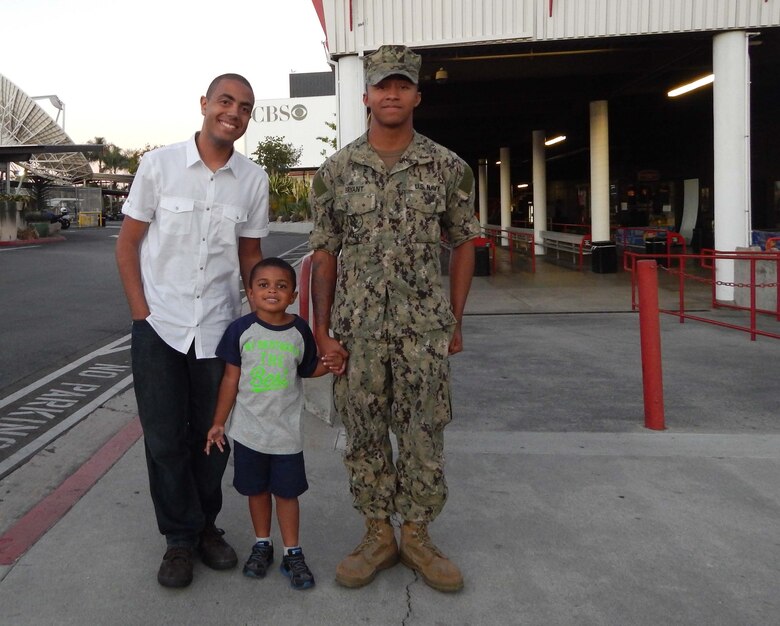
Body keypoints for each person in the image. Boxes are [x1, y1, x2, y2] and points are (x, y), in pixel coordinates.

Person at [308, 45, 480, 593]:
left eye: (402, 85)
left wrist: (453, 322)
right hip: (356, 334)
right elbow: (324, 252)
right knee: (363, 435)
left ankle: (419, 536)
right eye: (383, 85)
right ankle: (378, 533)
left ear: (417, 95)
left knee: (424, 433)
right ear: (366, 96)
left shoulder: (447, 167)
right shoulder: (336, 171)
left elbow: (464, 243)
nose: (391, 94)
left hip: (422, 331)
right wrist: (320, 330)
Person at [115, 73, 269, 588]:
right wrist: (141, 313)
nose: (235, 112)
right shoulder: (158, 165)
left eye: (245, 107)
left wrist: (260, 323)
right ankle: (178, 540)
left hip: (220, 330)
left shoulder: (253, 179)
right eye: (226, 101)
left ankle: (207, 528)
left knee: (212, 437)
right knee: (163, 440)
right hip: (160, 327)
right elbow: (128, 243)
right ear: (204, 104)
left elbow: (250, 256)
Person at [204, 257, 345, 590]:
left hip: (285, 436)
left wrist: (335, 362)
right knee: (256, 492)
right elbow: (229, 380)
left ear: (294, 294)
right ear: (250, 294)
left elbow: (309, 369)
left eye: (281, 286)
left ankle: (292, 552)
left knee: (287, 494)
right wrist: (218, 423)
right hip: (250, 433)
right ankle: (262, 543)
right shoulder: (240, 331)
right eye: (263, 285)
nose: (272, 291)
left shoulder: (299, 330)